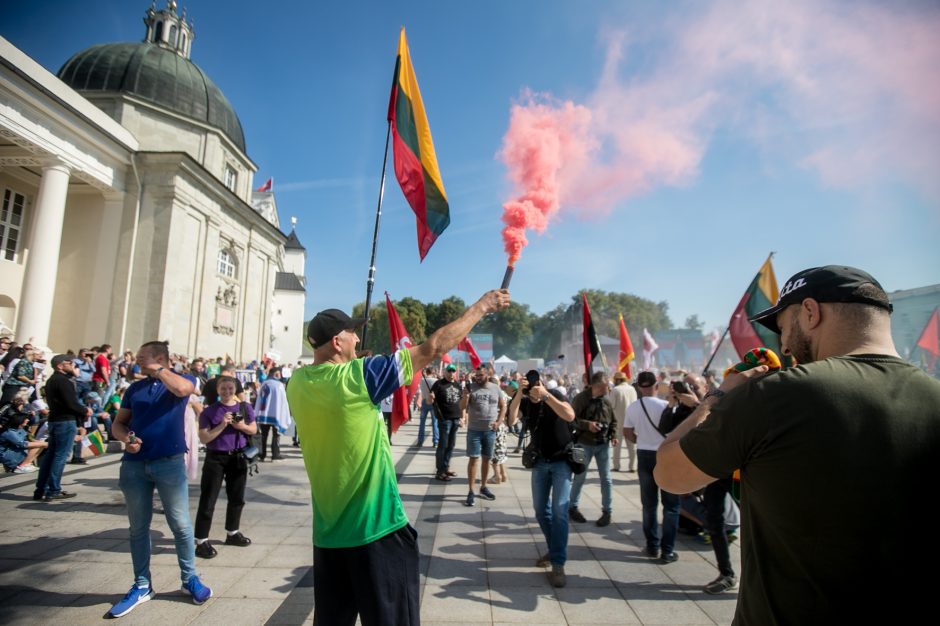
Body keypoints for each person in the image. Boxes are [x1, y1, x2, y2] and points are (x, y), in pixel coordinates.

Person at [655, 265, 940, 624]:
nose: (785, 345)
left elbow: (669, 473)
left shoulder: (775, 395)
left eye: (784, 328)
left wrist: (718, 396)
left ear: (810, 311)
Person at [286, 289, 510, 626]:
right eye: (351, 332)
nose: (357, 336)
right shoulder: (361, 376)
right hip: (376, 529)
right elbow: (433, 347)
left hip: (329, 535)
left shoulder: (297, 383)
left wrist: (355, 362)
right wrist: (482, 306)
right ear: (337, 342)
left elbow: (334, 387)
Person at [108, 341, 211, 618]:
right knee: (138, 527)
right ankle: (142, 584)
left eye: (144, 357)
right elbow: (118, 424)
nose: (138, 360)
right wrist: (126, 438)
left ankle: (190, 578)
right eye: (139, 357)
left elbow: (183, 390)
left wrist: (158, 370)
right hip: (134, 465)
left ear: (161, 359)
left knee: (180, 523)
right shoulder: (134, 389)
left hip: (169, 463)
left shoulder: (181, 380)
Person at [507, 369, 575, 588]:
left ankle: (558, 564)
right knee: (540, 510)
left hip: (561, 461)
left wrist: (546, 395)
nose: (533, 387)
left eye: (535, 382)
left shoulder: (555, 394)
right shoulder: (526, 402)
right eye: (530, 384)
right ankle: (555, 548)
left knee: (560, 512)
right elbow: (511, 419)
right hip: (539, 462)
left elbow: (569, 415)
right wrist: (519, 392)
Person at [195, 376, 257, 559]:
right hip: (215, 458)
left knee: (237, 497)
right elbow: (204, 438)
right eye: (223, 388)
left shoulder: (245, 407)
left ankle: (232, 532)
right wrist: (222, 424)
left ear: (236, 389)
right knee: (208, 498)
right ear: (217, 390)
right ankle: (201, 540)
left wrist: (241, 426)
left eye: (230, 388)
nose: (227, 392)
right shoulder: (209, 411)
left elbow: (253, 429)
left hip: (237, 457)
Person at [622, 371, 675, 562]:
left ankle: (652, 546)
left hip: (644, 454)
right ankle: (667, 550)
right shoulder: (665, 406)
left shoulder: (633, 407)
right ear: (656, 385)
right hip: (665, 454)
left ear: (638, 387)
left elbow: (627, 432)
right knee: (671, 505)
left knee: (649, 504)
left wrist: (640, 440)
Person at [33, 354, 90, 501]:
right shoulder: (63, 381)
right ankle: (53, 489)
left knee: (51, 455)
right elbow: (71, 403)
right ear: (60, 365)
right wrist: (85, 410)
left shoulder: (52, 380)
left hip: (55, 420)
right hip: (65, 421)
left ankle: (41, 489)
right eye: (69, 363)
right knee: (60, 456)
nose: (72, 365)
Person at [567, 372, 617, 526]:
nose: (608, 388)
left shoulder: (606, 400)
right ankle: (572, 507)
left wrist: (613, 434)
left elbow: (613, 421)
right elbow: (571, 419)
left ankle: (607, 511)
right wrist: (587, 425)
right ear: (597, 386)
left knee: (606, 479)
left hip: (602, 445)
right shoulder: (581, 399)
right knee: (579, 476)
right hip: (582, 444)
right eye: (605, 386)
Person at [460, 364, 506, 506]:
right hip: (474, 430)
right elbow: (462, 407)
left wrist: (499, 422)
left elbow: (503, 405)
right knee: (474, 459)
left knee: (487, 459)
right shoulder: (470, 388)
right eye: (476, 375)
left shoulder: (495, 388)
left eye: (480, 375)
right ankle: (471, 491)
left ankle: (483, 487)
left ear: (488, 374)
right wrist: (465, 396)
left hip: (490, 431)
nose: (477, 378)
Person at [431, 364, 462, 481]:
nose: (451, 373)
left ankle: (446, 467)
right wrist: (431, 397)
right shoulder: (438, 384)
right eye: (449, 371)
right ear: (445, 372)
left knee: (451, 445)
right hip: (444, 419)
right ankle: (440, 471)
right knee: (443, 445)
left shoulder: (458, 385)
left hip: (455, 418)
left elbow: (460, 401)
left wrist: (462, 418)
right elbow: (430, 400)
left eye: (453, 371)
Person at [254, 367, 292, 461]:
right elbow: (282, 401)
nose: (280, 375)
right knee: (276, 435)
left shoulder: (264, 384)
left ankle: (262, 454)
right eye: (279, 373)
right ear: (275, 374)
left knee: (264, 435)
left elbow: (258, 400)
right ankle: (275, 454)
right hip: (276, 414)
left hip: (263, 414)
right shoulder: (278, 385)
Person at [608, 371, 637, 472]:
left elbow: (611, 406)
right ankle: (632, 466)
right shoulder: (632, 389)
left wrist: (610, 393)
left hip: (618, 421)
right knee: (632, 445)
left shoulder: (615, 390)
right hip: (631, 421)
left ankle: (616, 466)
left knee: (617, 445)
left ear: (617, 380)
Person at [417, 367, 439, 447]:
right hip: (433, 402)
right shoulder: (436, 380)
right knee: (435, 422)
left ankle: (420, 441)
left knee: (422, 422)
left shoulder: (422, 380)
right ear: (432, 372)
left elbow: (420, 390)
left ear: (426, 372)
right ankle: (435, 441)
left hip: (424, 401)